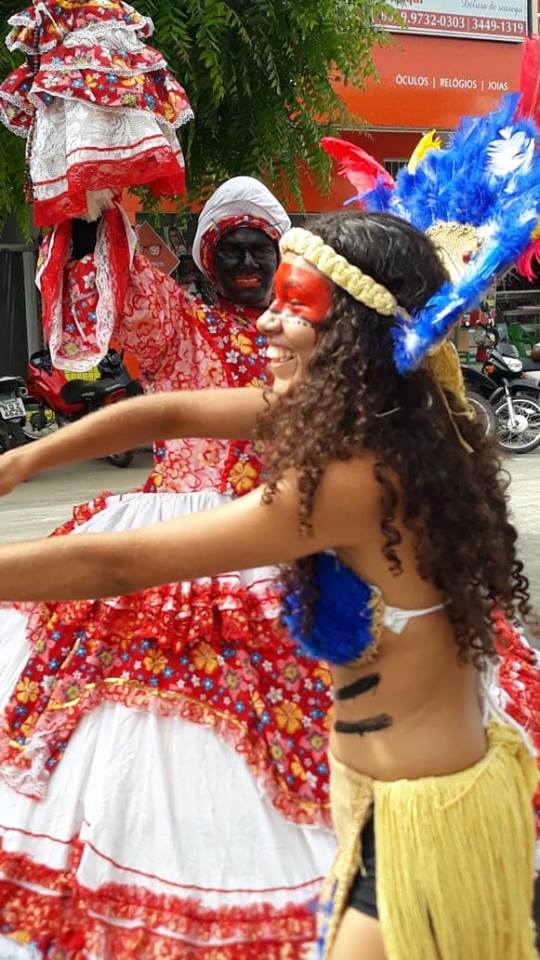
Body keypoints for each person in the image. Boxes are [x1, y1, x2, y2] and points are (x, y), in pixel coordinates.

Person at [0, 210, 537, 959]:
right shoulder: (364, 412)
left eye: (296, 305)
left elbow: (117, 566)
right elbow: (174, 410)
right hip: (380, 800)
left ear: (353, 330)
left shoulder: (356, 477)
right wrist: (24, 461)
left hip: (424, 821)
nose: (267, 322)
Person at [0, 179, 336, 958]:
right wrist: (89, 212)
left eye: (259, 247)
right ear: (207, 261)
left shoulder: (310, 337)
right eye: (230, 247)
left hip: (285, 535)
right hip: (179, 539)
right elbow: (131, 314)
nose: (246, 260)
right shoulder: (182, 325)